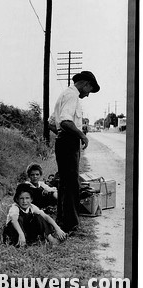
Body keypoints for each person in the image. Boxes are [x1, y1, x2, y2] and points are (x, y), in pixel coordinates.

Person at [52, 71, 100, 233]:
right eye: (89, 90)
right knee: (71, 183)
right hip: (68, 142)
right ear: (85, 84)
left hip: (63, 141)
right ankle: (70, 225)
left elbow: (51, 122)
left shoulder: (64, 94)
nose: (87, 95)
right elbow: (65, 121)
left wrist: (60, 133)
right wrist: (81, 136)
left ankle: (63, 220)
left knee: (65, 183)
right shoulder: (72, 95)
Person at [2, 183, 67, 247]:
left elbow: (46, 217)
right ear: (17, 199)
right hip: (15, 233)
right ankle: (20, 243)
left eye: (27, 198)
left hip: (26, 232)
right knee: (19, 219)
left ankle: (51, 239)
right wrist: (21, 234)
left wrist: (57, 228)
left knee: (39, 217)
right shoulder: (14, 208)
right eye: (21, 198)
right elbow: (14, 221)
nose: (24, 201)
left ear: (31, 199)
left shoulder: (32, 207)